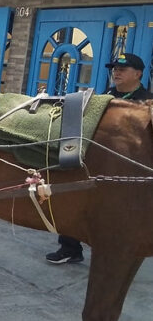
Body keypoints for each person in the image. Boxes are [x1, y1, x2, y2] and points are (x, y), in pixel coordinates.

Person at [46, 52, 153, 264]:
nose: (116, 73)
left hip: (126, 171)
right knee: (75, 202)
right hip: (95, 161)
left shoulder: (147, 103)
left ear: (138, 74)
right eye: (115, 69)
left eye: (122, 69)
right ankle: (70, 248)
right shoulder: (105, 97)